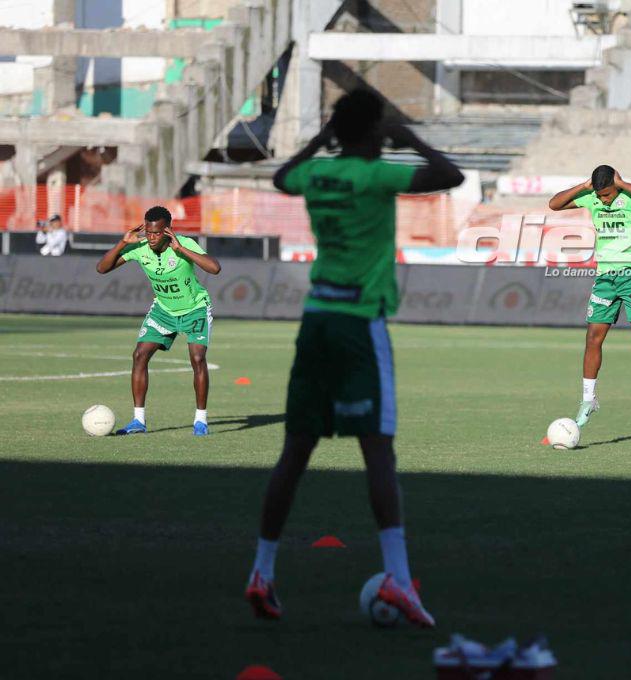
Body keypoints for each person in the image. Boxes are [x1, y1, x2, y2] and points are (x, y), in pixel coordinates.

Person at [245, 90, 463, 627]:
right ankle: (398, 578)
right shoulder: (376, 175)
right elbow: (449, 175)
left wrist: (323, 141)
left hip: (316, 319)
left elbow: (280, 178)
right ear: (375, 132)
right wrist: (405, 138)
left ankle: (262, 571)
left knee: (294, 452)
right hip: (359, 324)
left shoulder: (317, 174)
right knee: (378, 453)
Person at [548, 166, 631, 430]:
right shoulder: (593, 196)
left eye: (608, 194)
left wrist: (622, 183)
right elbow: (554, 204)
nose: (604, 200)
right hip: (605, 279)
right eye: (600, 196)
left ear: (616, 184)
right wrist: (585, 186)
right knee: (593, 338)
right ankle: (589, 399)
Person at [96, 206, 221, 436]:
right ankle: (138, 420)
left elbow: (214, 268)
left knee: (197, 358)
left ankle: (200, 421)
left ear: (167, 230)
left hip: (194, 309)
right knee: (139, 354)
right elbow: (102, 268)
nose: (151, 237)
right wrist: (123, 243)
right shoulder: (139, 247)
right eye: (149, 232)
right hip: (163, 310)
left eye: (156, 233)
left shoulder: (183, 244)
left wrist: (181, 249)